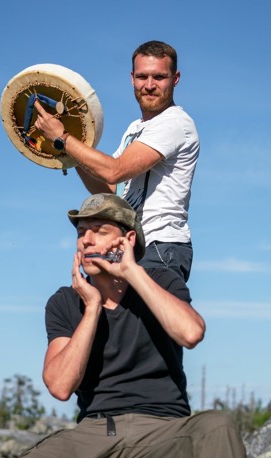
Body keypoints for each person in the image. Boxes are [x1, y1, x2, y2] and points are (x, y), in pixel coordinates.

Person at [0, 193, 247, 458]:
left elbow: (190, 333)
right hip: (97, 432)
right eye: (82, 232)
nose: (86, 240)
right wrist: (93, 308)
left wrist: (133, 273)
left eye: (99, 230)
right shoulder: (66, 302)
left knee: (218, 427)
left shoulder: (160, 281)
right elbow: (60, 385)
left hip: (163, 433)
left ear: (128, 239)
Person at [33, 40, 199, 282]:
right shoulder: (135, 128)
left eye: (159, 77)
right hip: (127, 249)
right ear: (132, 78)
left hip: (160, 247)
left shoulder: (175, 122)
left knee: (150, 321)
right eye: (142, 77)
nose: (149, 85)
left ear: (175, 78)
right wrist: (71, 154)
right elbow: (110, 188)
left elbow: (114, 171)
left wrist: (62, 137)